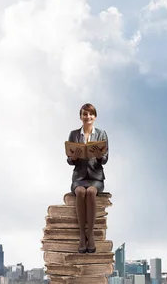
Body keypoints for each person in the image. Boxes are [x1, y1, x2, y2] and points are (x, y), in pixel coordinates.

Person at [66, 103, 108, 254]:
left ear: (94, 117)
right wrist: (74, 157)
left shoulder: (102, 134)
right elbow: (69, 161)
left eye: (90, 114)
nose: (87, 117)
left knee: (90, 191)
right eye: (85, 114)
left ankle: (90, 234)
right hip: (79, 177)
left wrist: (99, 156)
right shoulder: (74, 134)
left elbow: (105, 160)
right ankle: (81, 237)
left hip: (96, 178)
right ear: (81, 117)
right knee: (80, 192)